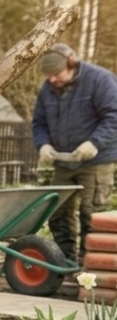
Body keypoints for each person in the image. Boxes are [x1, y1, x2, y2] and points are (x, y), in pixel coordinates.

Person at [32, 43, 117, 267]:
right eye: (49, 75)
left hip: (95, 161)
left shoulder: (99, 80)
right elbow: (39, 123)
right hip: (64, 161)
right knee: (58, 214)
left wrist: (94, 142)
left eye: (56, 74)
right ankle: (64, 264)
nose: (52, 80)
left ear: (71, 63)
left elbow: (113, 116)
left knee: (92, 216)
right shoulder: (48, 89)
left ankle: (91, 270)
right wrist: (43, 145)